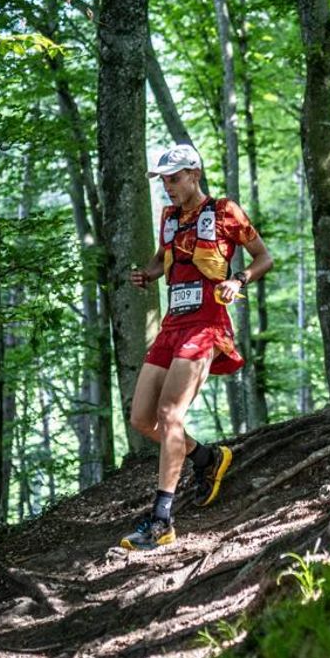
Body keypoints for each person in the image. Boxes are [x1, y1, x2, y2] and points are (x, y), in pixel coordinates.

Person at [120, 143, 272, 551]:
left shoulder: (226, 211)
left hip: (206, 324)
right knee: (141, 418)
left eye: (174, 179)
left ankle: (162, 520)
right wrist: (148, 275)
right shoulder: (169, 217)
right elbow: (162, 258)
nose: (168, 187)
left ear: (194, 174)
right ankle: (207, 459)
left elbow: (264, 256)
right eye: (164, 180)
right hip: (172, 324)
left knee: (170, 414)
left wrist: (238, 280)